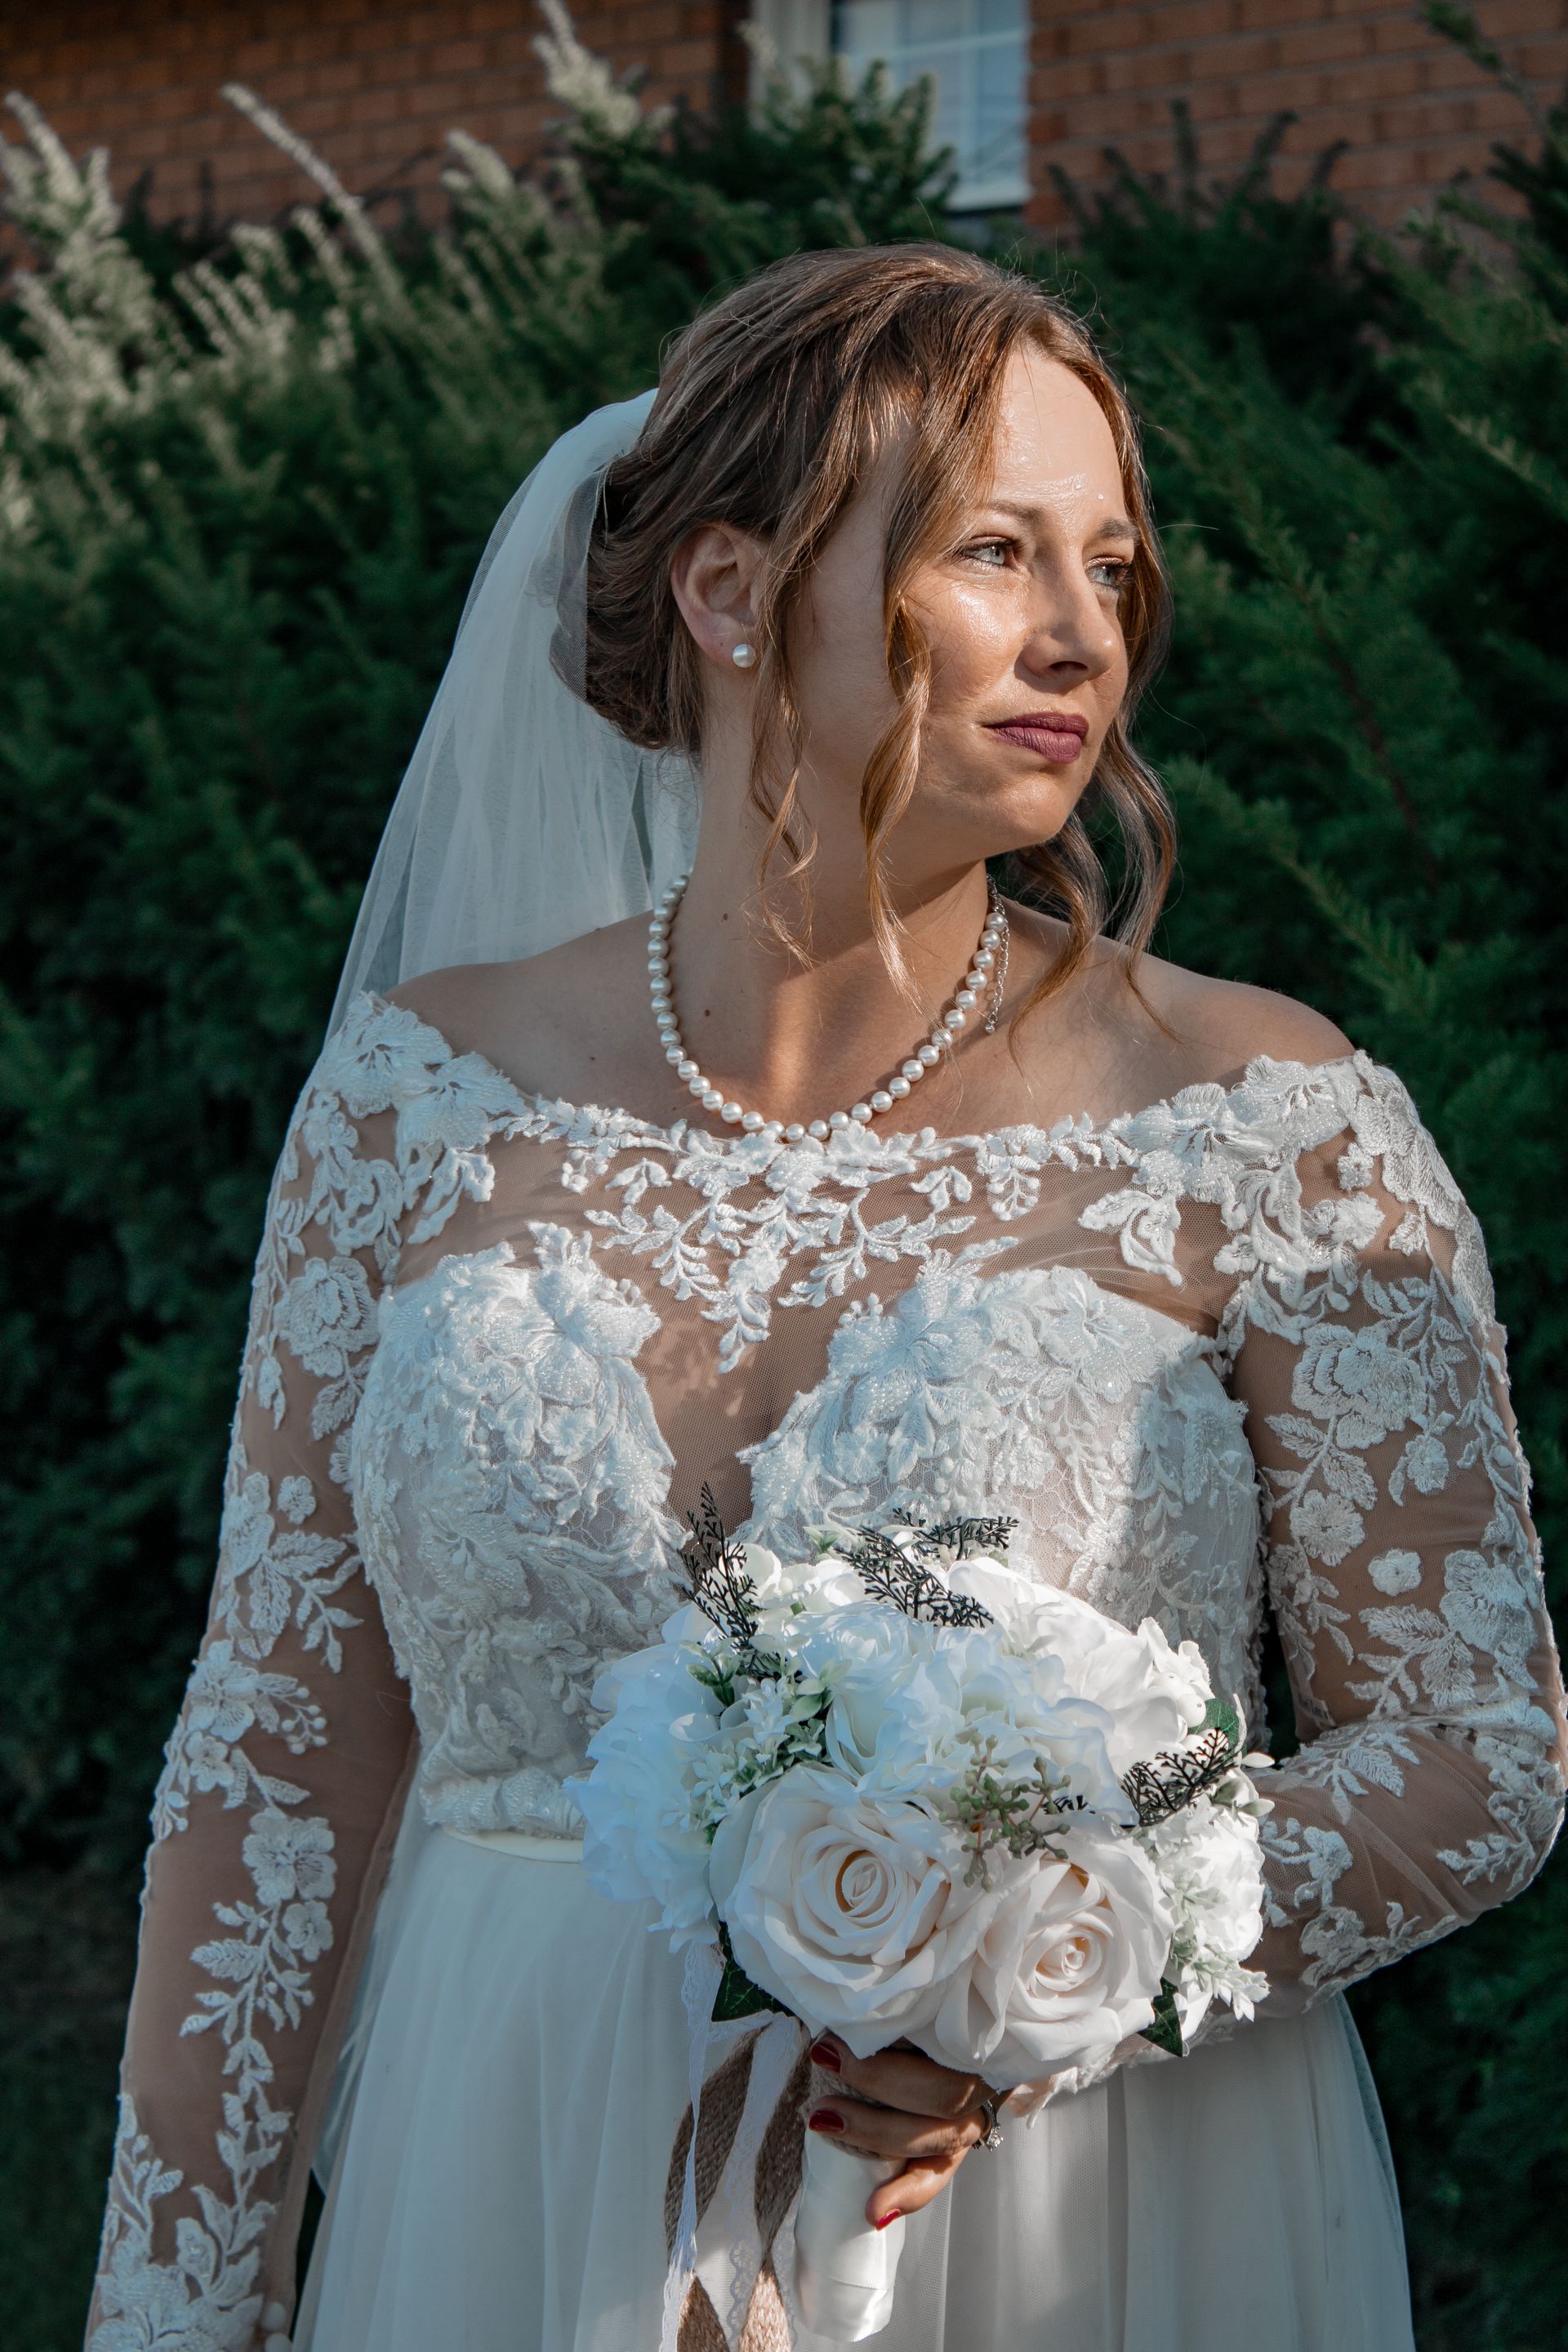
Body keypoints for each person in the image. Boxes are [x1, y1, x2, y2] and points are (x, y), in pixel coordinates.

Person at [85, 244, 1565, 2352]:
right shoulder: (419, 1101)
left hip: (1092, 2222)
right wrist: (177, 2309)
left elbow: (1477, 1747)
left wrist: (1051, 1965)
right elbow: (271, 1778)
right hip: (506, 2196)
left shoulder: (1266, 1119)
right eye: (994, 551)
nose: (1084, 633)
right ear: (728, 593)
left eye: (1113, 566)